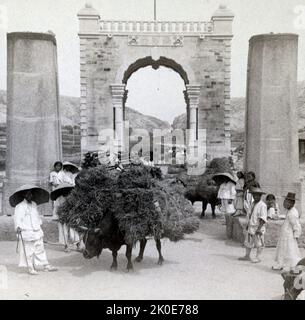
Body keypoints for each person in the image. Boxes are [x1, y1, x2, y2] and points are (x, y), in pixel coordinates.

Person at [12, 187, 58, 275]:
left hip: (36, 229)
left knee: (40, 248)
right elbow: (17, 219)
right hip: (27, 230)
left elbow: (36, 216)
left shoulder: (33, 204)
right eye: (28, 194)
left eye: (31, 194)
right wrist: (18, 227)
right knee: (29, 250)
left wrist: (39, 224)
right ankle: (30, 267)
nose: (30, 195)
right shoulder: (20, 206)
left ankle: (46, 265)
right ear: (24, 195)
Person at [272, 193, 302, 273]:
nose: (284, 204)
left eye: (287, 202)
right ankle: (281, 264)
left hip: (289, 236)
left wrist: (296, 235)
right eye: (284, 201)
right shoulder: (289, 211)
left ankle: (288, 267)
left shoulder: (293, 213)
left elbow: (296, 225)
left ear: (292, 203)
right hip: (285, 234)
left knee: (289, 251)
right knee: (282, 250)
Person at [239, 187, 268, 263]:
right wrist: (247, 224)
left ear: (260, 196)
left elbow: (263, 218)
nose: (255, 197)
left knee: (259, 243)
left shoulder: (262, 205)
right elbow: (250, 215)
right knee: (248, 242)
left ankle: (258, 257)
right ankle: (247, 255)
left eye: (257, 195)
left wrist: (259, 229)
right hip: (250, 226)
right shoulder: (252, 204)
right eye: (254, 195)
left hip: (257, 227)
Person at [51, 184, 75, 253]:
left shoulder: (70, 198)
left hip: (70, 217)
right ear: (62, 191)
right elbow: (56, 209)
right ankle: (66, 245)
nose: (65, 192)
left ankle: (77, 243)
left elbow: (73, 207)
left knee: (73, 231)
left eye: (66, 190)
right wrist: (59, 217)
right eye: (64, 190)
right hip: (62, 218)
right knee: (64, 232)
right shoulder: (59, 199)